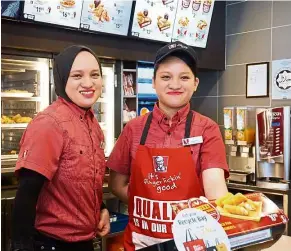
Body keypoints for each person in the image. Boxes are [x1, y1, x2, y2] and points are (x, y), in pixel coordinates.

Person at [107, 41, 229, 250]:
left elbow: (215, 190)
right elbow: (117, 185)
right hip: (140, 243)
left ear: (195, 83)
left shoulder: (207, 129)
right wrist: (151, 207)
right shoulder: (134, 129)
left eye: (184, 77)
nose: (175, 84)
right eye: (166, 77)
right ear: (153, 82)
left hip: (192, 242)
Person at [11, 45, 110, 251]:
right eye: (77, 75)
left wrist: (102, 209)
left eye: (95, 75)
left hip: (84, 242)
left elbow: (88, 179)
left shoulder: (93, 124)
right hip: (51, 243)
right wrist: (22, 246)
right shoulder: (50, 123)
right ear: (62, 79)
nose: (88, 83)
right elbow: (26, 193)